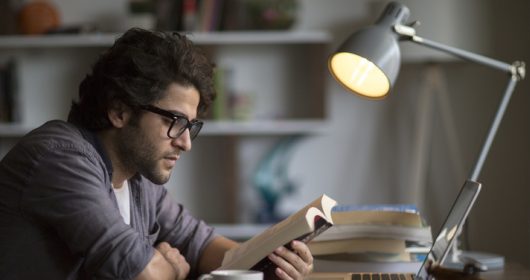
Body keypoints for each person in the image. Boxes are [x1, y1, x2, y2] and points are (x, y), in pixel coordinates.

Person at [0, 28, 313, 279]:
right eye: (174, 121)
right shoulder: (61, 158)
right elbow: (144, 273)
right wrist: (172, 268)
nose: (186, 142)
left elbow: (201, 244)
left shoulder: (137, 177)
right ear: (119, 111)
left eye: (190, 126)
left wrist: (271, 265)